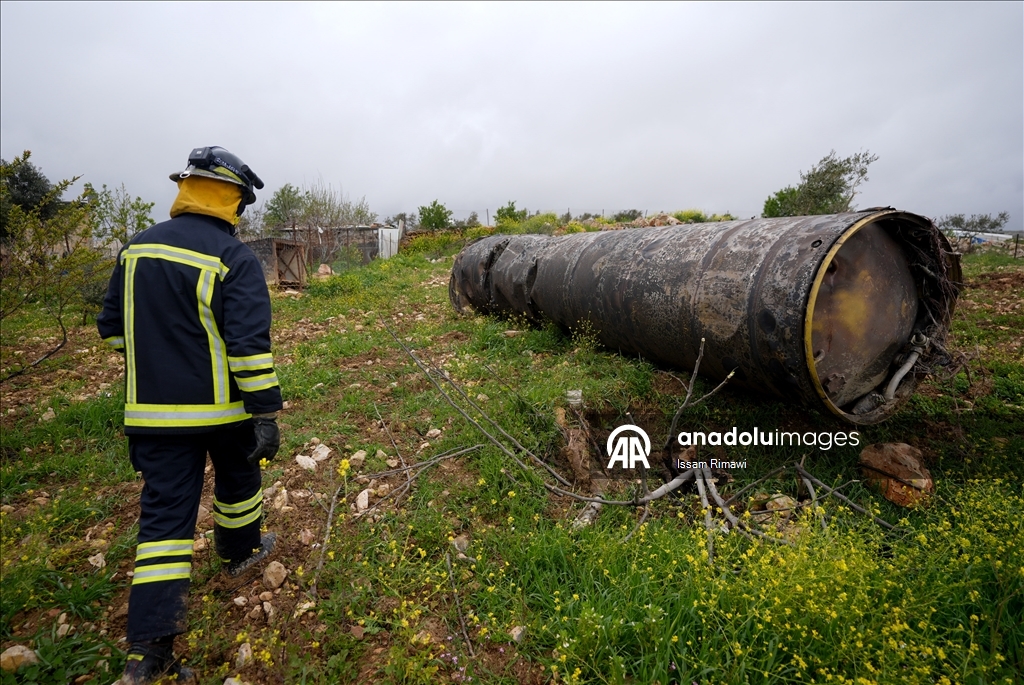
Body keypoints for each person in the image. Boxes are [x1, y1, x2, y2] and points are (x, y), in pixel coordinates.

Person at [98, 146, 283, 684]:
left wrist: (155, 364)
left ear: (187, 190)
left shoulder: (135, 250)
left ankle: (148, 654)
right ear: (234, 201)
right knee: (240, 476)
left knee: (163, 524)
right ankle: (241, 550)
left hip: (154, 417)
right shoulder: (234, 259)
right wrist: (267, 412)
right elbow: (249, 347)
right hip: (224, 413)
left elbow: (112, 327)